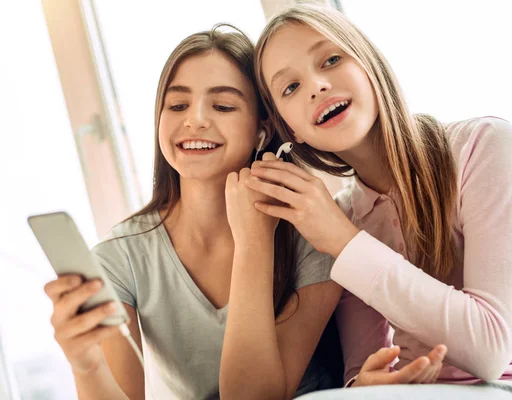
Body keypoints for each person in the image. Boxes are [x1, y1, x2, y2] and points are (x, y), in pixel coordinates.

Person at [247, 5, 512, 400]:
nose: (316, 85)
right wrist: (367, 383)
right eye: (290, 87)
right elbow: (363, 365)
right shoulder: (344, 217)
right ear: (291, 129)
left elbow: (491, 347)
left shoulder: (486, 147)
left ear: (369, 63)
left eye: (331, 59)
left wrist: (343, 242)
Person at [42, 25, 347, 400]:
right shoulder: (121, 257)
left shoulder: (310, 230)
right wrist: (85, 364)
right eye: (177, 105)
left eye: (222, 106)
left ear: (262, 132)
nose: (195, 120)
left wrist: (254, 242)